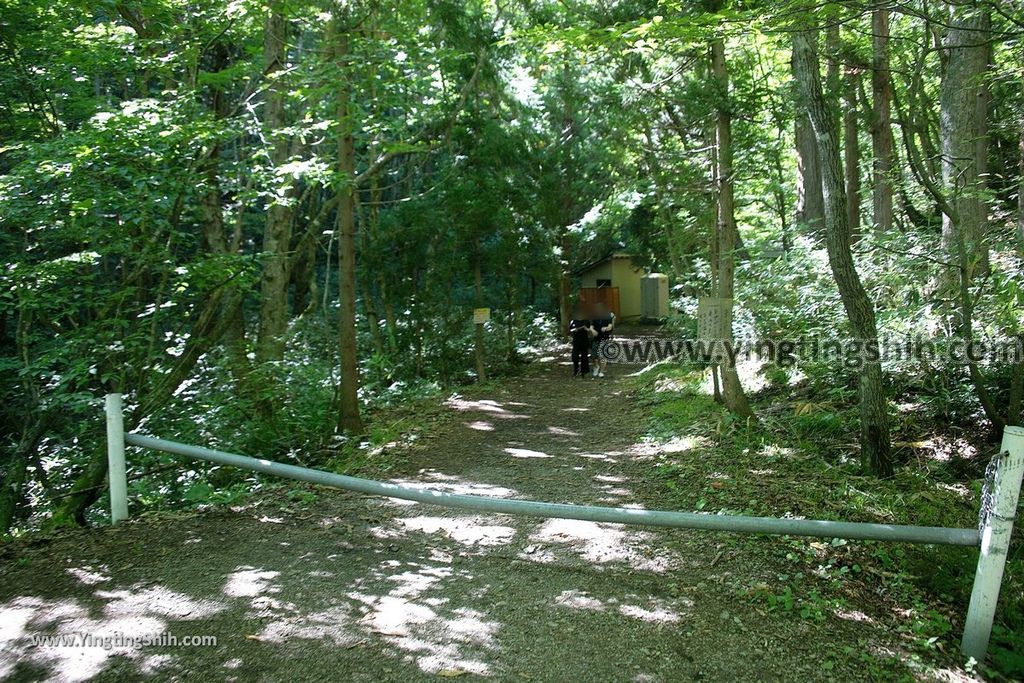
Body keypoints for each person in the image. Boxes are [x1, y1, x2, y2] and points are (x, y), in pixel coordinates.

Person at [590, 303, 615, 378]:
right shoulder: (594, 317)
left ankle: (601, 371)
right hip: (596, 339)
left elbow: (610, 326)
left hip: (605, 339)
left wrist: (606, 328)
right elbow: (591, 326)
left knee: (603, 356)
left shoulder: (607, 317)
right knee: (594, 356)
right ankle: (596, 366)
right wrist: (593, 330)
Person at [568, 309, 595, 378]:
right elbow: (570, 330)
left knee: (584, 356)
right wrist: (575, 330)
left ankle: (584, 371)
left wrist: (586, 329)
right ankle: (576, 369)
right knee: (575, 356)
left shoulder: (586, 321)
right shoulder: (573, 321)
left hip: (584, 341)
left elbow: (590, 330)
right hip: (576, 341)